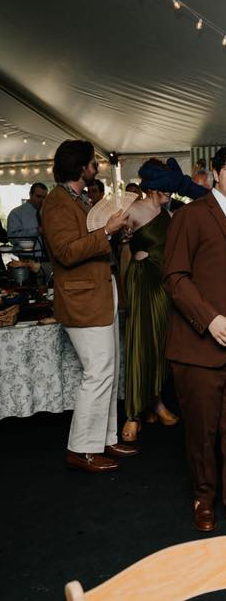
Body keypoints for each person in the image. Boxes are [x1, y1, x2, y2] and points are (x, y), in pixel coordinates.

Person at [163, 142, 226, 533]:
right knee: (202, 431)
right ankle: (203, 497)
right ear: (217, 173)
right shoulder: (191, 215)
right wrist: (210, 320)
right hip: (200, 343)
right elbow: (173, 277)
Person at [41, 140, 137, 472]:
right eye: (92, 162)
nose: (96, 167)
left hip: (100, 290)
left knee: (108, 370)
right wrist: (105, 233)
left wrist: (115, 235)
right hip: (81, 296)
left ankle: (105, 439)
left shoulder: (81, 198)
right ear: (81, 166)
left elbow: (92, 240)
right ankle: (80, 448)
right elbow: (66, 252)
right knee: (97, 371)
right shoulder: (55, 203)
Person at [120, 159, 180, 444]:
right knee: (138, 344)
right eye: (167, 188)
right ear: (154, 186)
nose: (171, 192)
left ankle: (155, 402)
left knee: (159, 344)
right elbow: (122, 253)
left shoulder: (168, 212)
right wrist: (123, 292)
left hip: (163, 285)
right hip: (142, 282)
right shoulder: (131, 210)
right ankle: (132, 413)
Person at [7, 182, 48, 258]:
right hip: (25, 259)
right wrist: (36, 231)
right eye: (38, 196)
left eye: (44, 197)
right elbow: (12, 238)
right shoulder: (16, 213)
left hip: (48, 258)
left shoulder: (48, 213)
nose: (42, 200)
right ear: (30, 195)